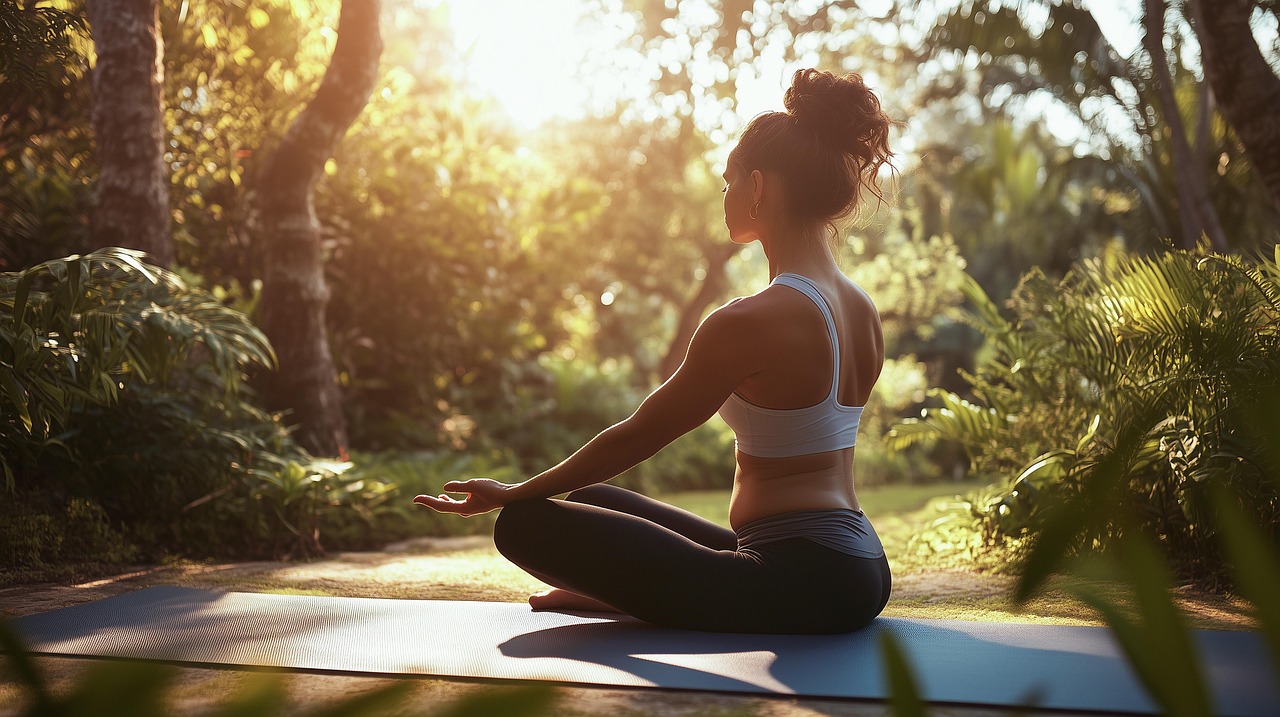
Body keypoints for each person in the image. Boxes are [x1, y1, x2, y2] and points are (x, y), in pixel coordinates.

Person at [415, 68, 894, 634]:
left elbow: (639, 435)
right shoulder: (860, 310)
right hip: (858, 564)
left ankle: (642, 593)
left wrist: (514, 493)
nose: (725, 196)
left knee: (523, 525)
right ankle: (649, 589)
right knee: (594, 499)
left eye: (728, 182)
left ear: (758, 187)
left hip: (801, 578)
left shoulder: (750, 320)